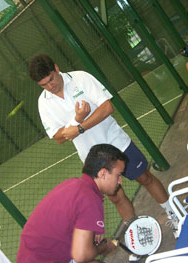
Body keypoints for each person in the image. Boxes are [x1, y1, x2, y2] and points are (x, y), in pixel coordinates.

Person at [28, 54, 178, 239]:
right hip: (92, 159)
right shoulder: (43, 103)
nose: (50, 86)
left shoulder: (81, 78)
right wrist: (76, 119)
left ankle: (175, 215)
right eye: (44, 84)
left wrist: (79, 127)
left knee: (145, 178)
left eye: (51, 79)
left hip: (116, 142)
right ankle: (139, 236)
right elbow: (58, 137)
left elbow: (107, 108)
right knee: (115, 196)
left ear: (57, 68)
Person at [16, 143, 127, 263]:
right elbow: (81, 255)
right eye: (118, 175)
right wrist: (104, 247)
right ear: (103, 173)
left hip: (57, 256)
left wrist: (92, 239)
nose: (120, 181)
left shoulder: (78, 185)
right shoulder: (89, 198)